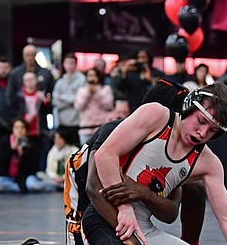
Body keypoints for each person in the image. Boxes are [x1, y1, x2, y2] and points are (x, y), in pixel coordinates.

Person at [82, 82, 227, 244]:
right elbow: (104, 156)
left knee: (195, 190)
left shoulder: (209, 163)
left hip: (144, 229)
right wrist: (125, 209)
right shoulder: (156, 115)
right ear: (189, 107)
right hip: (104, 213)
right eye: (201, 121)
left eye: (212, 130)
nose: (202, 133)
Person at [64, 79, 206, 245]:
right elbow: (93, 187)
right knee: (84, 236)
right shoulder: (115, 129)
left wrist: (147, 195)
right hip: (83, 178)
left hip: (116, 184)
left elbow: (171, 213)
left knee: (195, 186)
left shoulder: (175, 143)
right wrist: (132, 238)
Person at [0, 117, 54, 193]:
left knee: (34, 185)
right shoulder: (5, 141)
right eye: (16, 128)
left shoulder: (31, 143)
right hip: (8, 177)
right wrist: (12, 150)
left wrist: (24, 153)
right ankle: (19, 188)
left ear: (26, 130)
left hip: (25, 178)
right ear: (12, 129)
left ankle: (53, 186)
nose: (19, 130)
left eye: (22, 128)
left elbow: (34, 167)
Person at [110, 48, 164, 113]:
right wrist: (124, 72)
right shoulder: (131, 73)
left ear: (149, 58)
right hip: (134, 108)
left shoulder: (157, 73)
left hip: (152, 108)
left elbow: (162, 90)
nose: (141, 60)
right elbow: (120, 88)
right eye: (138, 58)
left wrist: (150, 79)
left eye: (143, 57)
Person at [52, 53, 86, 146]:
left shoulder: (82, 79)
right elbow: (55, 101)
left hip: (77, 122)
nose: (69, 66)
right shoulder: (60, 82)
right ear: (63, 64)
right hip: (62, 122)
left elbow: (79, 100)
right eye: (67, 63)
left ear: (76, 64)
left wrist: (63, 97)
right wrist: (70, 101)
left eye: (72, 63)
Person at [74, 67, 114, 144]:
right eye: (90, 75)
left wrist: (97, 93)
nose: (92, 78)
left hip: (101, 127)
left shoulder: (106, 89)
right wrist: (87, 94)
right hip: (85, 128)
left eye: (94, 75)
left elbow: (109, 106)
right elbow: (78, 106)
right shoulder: (82, 91)